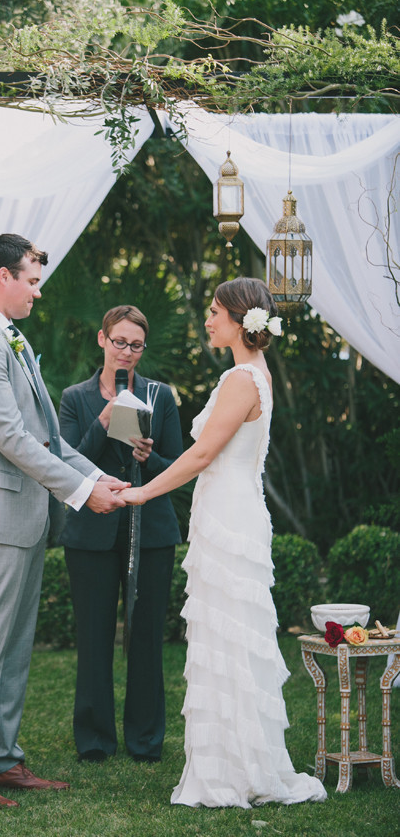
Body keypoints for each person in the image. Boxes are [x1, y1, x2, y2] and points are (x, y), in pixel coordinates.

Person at [117, 278, 327, 808]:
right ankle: (238, 763)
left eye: (215, 312)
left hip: (230, 516)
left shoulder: (240, 378)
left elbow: (201, 454)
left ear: (240, 319)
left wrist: (142, 492)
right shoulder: (256, 373)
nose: (208, 320)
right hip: (233, 508)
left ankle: (232, 771)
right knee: (227, 636)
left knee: (228, 636)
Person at [0, 233, 127, 808]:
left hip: (21, 516)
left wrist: (99, 478)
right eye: (32, 280)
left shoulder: (9, 338)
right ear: (4, 277)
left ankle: (0, 760)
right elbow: (11, 437)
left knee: (15, 648)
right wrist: (81, 493)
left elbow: (47, 436)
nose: (37, 293)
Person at [59, 305, 183, 763]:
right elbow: (67, 462)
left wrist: (149, 458)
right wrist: (104, 421)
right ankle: (94, 739)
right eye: (119, 342)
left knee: (146, 635)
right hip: (90, 533)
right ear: (102, 339)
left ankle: (145, 738)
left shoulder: (160, 395)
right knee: (93, 637)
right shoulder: (75, 397)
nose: (127, 352)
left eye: (136, 345)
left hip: (151, 530)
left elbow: (178, 467)